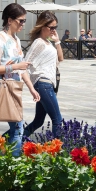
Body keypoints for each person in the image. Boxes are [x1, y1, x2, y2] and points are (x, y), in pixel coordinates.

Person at [0, 3, 41, 156]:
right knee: (18, 129)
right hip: (5, 89)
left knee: (16, 128)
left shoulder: (16, 40)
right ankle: (13, 165)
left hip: (15, 89)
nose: (23, 24)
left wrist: (32, 88)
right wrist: (14, 67)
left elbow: (22, 68)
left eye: (24, 21)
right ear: (9, 20)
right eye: (21, 21)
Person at [22, 11, 64, 139]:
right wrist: (31, 88)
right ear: (42, 26)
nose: (53, 30)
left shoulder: (48, 42)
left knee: (38, 121)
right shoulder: (39, 43)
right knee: (57, 119)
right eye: (51, 27)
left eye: (55, 27)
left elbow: (60, 59)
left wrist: (57, 41)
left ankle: (13, 142)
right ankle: (57, 153)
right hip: (43, 84)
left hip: (46, 85)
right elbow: (25, 64)